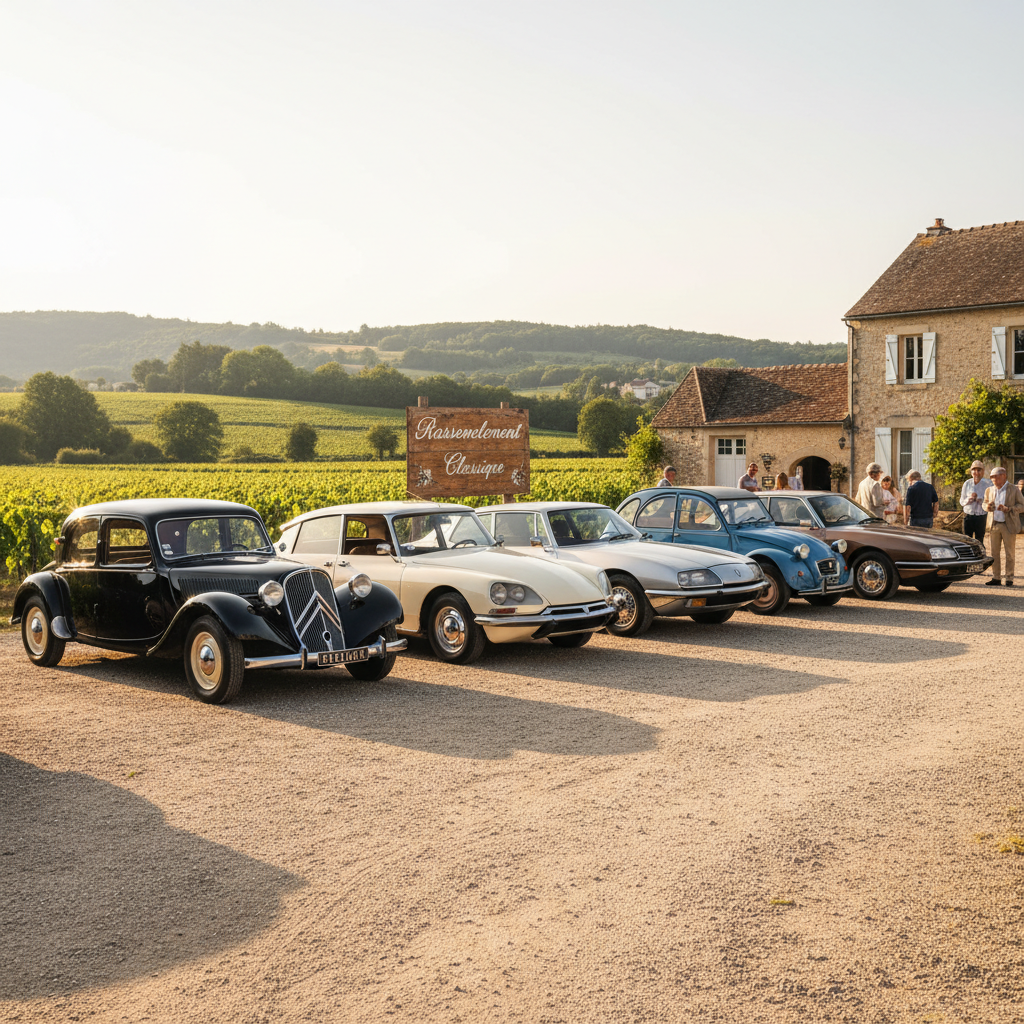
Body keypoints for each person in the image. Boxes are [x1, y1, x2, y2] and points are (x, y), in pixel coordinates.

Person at [983, 465, 1024, 586]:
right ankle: (996, 577)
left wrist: (1009, 509)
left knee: (1009, 553)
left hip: (1008, 525)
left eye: (995, 477)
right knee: (994, 553)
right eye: (992, 477)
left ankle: (1009, 578)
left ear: (1004, 476)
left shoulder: (1014, 489)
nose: (993, 480)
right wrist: (988, 507)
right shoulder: (989, 490)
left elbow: (1022, 506)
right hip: (994, 524)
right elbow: (984, 504)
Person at [959, 460, 991, 544]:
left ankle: (979, 556)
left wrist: (980, 500)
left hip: (981, 515)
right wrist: (969, 499)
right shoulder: (967, 483)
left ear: (983, 471)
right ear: (971, 471)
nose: (976, 472)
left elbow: (991, 500)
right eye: (974, 470)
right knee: (966, 539)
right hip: (968, 515)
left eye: (979, 470)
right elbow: (961, 501)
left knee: (979, 539)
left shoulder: (988, 484)